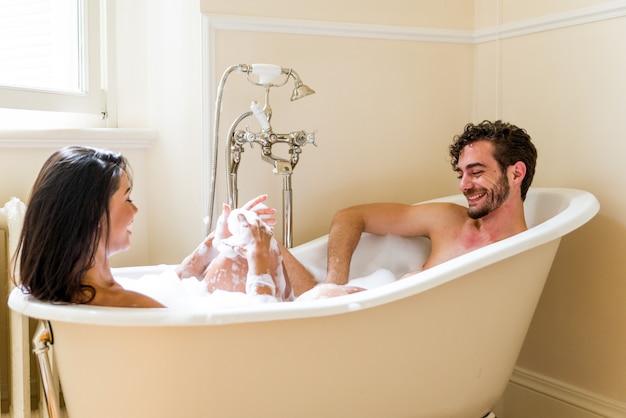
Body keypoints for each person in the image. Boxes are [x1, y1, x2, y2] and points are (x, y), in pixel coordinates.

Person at [14, 146, 284, 308]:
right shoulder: (130, 305)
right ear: (92, 216)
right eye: (127, 198)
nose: (135, 209)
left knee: (237, 252)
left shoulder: (85, 289)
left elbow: (173, 283)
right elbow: (265, 328)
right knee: (311, 280)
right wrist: (258, 261)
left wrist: (214, 241)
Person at [321, 120, 538, 285]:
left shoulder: (520, 255)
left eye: (476, 172)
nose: (463, 186)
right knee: (284, 256)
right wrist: (333, 286)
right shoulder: (447, 219)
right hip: (365, 316)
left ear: (516, 174)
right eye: (460, 174)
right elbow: (350, 216)